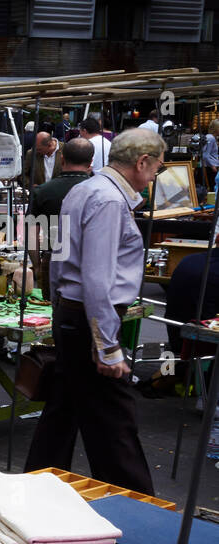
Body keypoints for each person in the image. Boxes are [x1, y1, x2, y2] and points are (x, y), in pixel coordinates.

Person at [23, 127, 166, 494]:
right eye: (156, 169)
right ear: (142, 162)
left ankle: (36, 490)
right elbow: (98, 278)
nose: (154, 177)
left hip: (74, 314)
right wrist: (106, 346)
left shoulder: (85, 189)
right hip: (88, 316)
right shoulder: (107, 199)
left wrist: (61, 310)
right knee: (114, 422)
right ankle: (136, 508)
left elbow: (59, 261)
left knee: (63, 412)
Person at [29, 136, 94, 285]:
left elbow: (31, 234)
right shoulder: (102, 191)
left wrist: (38, 266)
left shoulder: (42, 191)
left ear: (62, 160)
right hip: (91, 262)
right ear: (90, 162)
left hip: (53, 259)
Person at [202, 119, 219, 192]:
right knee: (213, 187)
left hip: (212, 166)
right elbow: (205, 155)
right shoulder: (210, 138)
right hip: (211, 167)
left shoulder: (211, 137)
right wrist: (212, 166)